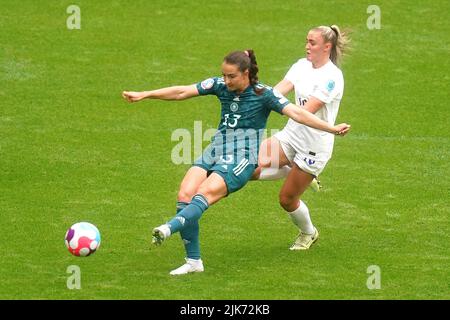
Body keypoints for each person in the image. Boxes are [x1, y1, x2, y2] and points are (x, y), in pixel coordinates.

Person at [122, 49, 350, 275]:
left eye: (231, 76)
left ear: (246, 74)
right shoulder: (220, 86)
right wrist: (145, 94)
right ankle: (194, 262)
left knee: (204, 193)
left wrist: (331, 128)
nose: (225, 80)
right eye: (224, 75)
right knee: (184, 195)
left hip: (243, 156)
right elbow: (182, 92)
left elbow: (298, 114)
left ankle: (168, 228)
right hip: (216, 149)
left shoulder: (265, 94)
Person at [252, 25, 350, 251]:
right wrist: (256, 100)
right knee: (248, 165)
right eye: (306, 41)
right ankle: (292, 171)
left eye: (312, 43)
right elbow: (277, 92)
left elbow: (307, 112)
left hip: (314, 147)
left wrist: (276, 105)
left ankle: (308, 233)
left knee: (286, 199)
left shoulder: (333, 77)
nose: (307, 46)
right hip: (291, 135)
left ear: (327, 47)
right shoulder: (300, 66)